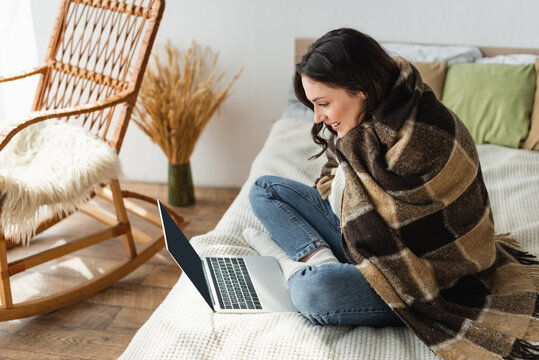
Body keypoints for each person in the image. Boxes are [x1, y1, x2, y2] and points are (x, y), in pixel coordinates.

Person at [243, 27, 539, 360]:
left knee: (315, 293)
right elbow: (337, 188)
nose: (318, 118)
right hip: (362, 233)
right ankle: (319, 259)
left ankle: (296, 264)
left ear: (362, 90)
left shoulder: (425, 138)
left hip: (422, 275)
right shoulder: (361, 127)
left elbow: (410, 238)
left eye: (324, 103)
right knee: (265, 189)